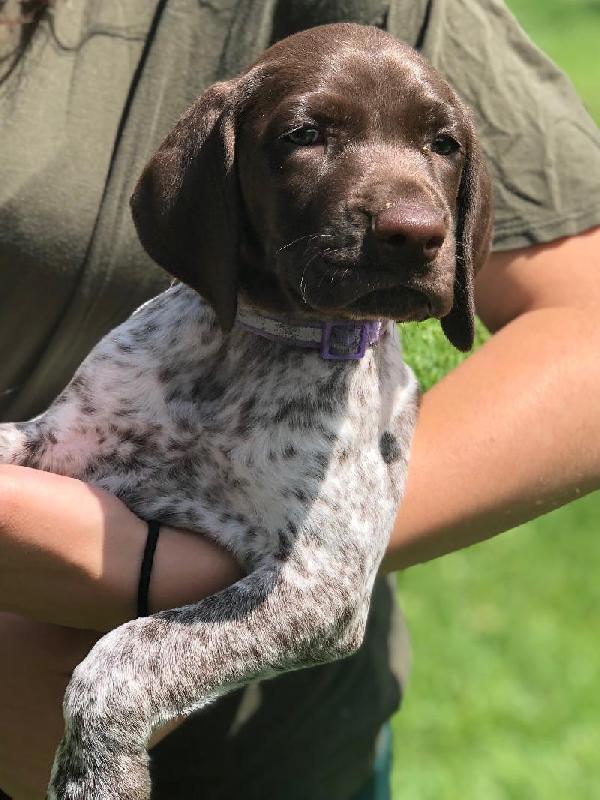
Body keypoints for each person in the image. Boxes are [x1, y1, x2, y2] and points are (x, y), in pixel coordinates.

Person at [1, 0, 599, 798]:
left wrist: (156, 590)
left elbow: (325, 597)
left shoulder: (400, 12)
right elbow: (44, 449)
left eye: (440, 147)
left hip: (256, 760)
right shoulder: (158, 338)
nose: (411, 212)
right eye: (311, 135)